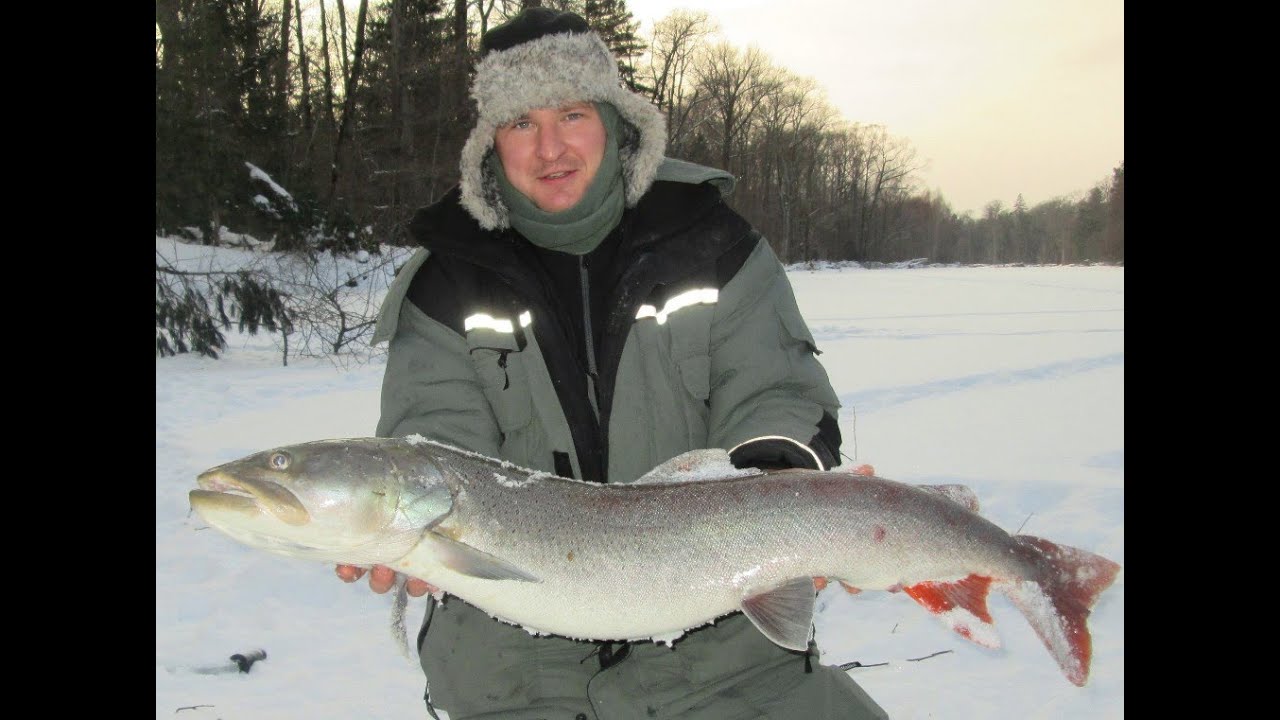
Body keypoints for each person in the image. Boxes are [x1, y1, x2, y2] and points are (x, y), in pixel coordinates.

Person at [340, 8, 889, 719]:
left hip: (723, 644)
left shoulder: (711, 241)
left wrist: (781, 493)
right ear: (490, 145)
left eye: (571, 114)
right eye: (520, 124)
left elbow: (775, 389)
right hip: (515, 668)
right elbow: (439, 448)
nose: (549, 148)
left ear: (615, 121)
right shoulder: (445, 282)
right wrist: (414, 543)